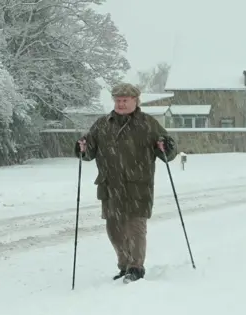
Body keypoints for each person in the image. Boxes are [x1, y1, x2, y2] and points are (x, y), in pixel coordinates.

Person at [74, 82, 178, 283]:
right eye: (117, 100)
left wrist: (166, 147)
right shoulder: (103, 124)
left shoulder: (147, 124)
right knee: (115, 230)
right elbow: (89, 150)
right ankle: (124, 266)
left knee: (135, 228)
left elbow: (165, 152)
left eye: (125, 100)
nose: (120, 104)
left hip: (138, 186)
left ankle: (136, 267)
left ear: (135, 101)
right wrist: (82, 148)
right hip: (110, 186)